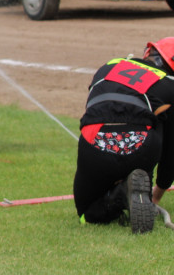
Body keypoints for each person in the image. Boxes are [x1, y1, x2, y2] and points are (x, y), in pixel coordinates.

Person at [73, 38, 174, 234]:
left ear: (149, 53)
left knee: (87, 214)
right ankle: (139, 189)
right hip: (142, 145)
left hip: (96, 142)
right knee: (159, 117)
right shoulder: (169, 85)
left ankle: (119, 194)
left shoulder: (110, 65)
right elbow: (171, 150)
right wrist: (157, 195)